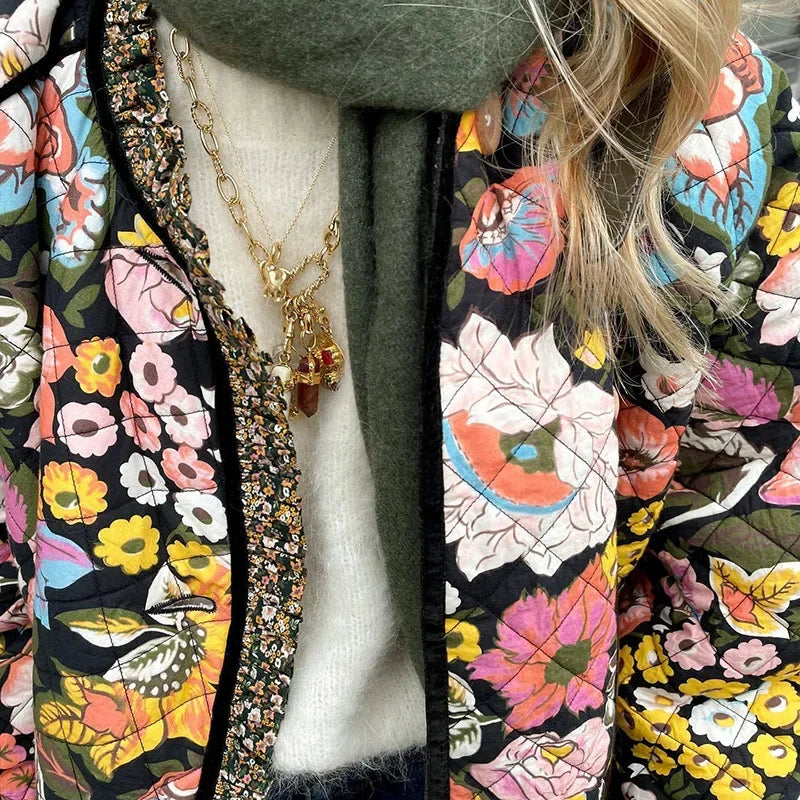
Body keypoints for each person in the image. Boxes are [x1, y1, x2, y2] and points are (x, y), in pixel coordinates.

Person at [0, 0, 797, 798]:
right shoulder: (35, 92)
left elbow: (741, 580)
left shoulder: (693, 101)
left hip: (518, 768)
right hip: (127, 765)